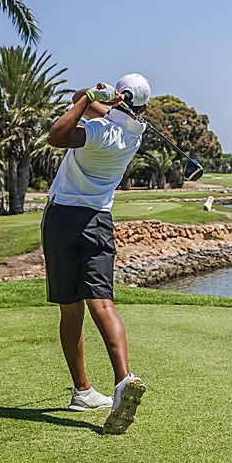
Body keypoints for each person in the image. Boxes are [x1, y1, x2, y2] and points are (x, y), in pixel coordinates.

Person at [43, 72, 152, 434]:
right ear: (144, 106)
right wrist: (94, 96)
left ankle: (82, 390)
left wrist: (91, 94)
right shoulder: (135, 133)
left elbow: (57, 135)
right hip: (98, 221)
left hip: (61, 219)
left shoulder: (100, 131)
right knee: (102, 303)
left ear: (120, 98)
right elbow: (87, 103)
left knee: (70, 307)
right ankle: (123, 379)